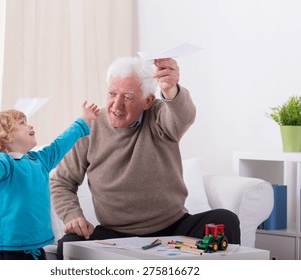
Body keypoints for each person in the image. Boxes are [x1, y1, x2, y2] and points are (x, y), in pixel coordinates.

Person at [50, 57, 241, 259]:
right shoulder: (90, 128)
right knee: (69, 245)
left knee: (224, 219)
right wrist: (73, 215)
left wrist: (170, 89)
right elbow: (62, 182)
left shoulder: (159, 115)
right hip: (114, 234)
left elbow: (182, 117)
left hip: (173, 228)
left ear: (148, 100)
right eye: (112, 94)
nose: (116, 105)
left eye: (128, 97)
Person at [0, 101, 100, 260]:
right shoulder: (5, 163)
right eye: (22, 123)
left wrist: (83, 119)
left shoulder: (40, 160)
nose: (30, 126)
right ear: (5, 137)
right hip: (9, 250)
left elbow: (60, 144)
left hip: (37, 247)